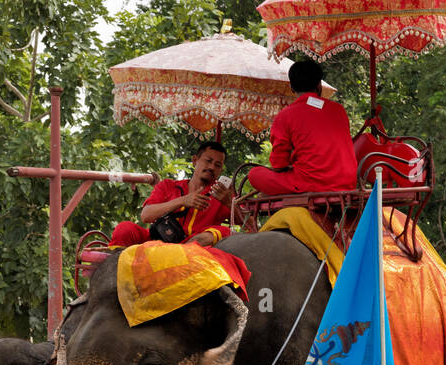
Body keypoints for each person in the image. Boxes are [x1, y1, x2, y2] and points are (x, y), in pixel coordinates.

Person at [247, 60, 357, 196]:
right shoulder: (339, 110)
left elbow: (279, 164)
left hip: (312, 184)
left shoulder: (284, 116)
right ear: (319, 85)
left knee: (254, 174)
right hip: (347, 183)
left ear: (292, 88)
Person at [110, 141, 234, 247]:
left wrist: (229, 203)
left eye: (217, 165)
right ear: (195, 160)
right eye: (208, 161)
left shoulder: (223, 194)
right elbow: (146, 216)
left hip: (194, 248)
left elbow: (248, 225)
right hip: (158, 241)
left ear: (221, 170)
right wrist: (182, 201)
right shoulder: (168, 185)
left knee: (223, 231)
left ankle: (179, 253)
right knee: (125, 228)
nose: (212, 167)